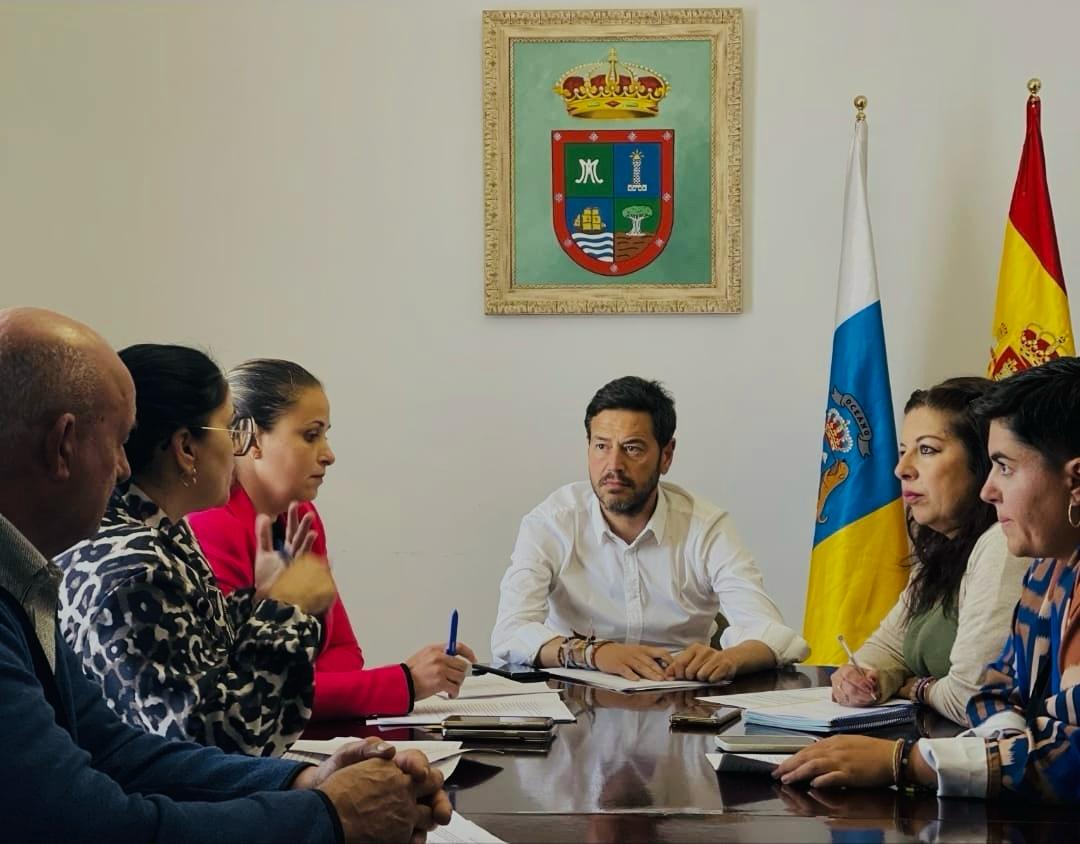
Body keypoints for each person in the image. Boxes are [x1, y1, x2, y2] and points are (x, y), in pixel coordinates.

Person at [0, 307, 449, 843]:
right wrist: (328, 816)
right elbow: (97, 823)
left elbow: (117, 749)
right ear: (63, 445)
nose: (123, 468)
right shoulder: (125, 561)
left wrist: (305, 782)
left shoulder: (34, 577)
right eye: (119, 442)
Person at [775, 357, 1080, 801]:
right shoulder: (1047, 568)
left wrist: (904, 761)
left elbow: (1069, 762)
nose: (989, 490)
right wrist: (1005, 744)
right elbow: (994, 694)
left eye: (1005, 467)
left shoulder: (1016, 551)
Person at [55, 344, 339, 756]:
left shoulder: (158, 530)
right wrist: (285, 609)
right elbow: (211, 743)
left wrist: (260, 602)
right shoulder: (135, 565)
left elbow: (204, 654)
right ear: (186, 448)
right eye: (231, 431)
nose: (239, 450)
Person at [189, 359, 476, 719]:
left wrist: (307, 691)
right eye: (311, 435)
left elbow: (342, 648)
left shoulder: (302, 515)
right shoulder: (210, 525)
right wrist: (404, 682)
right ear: (252, 438)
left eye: (325, 435)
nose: (329, 454)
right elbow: (242, 690)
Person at [491, 376, 808, 682]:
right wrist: (594, 654)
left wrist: (727, 659)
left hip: (680, 701)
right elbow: (510, 633)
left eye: (632, 448)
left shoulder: (706, 527)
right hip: (577, 702)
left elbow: (771, 632)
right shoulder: (552, 522)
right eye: (601, 446)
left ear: (666, 455)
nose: (613, 465)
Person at [831, 378, 1028, 724]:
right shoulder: (942, 544)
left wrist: (915, 687)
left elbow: (972, 699)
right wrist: (863, 676)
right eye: (904, 449)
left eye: (927, 450)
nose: (901, 469)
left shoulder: (1003, 545)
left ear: (984, 461)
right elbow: (886, 648)